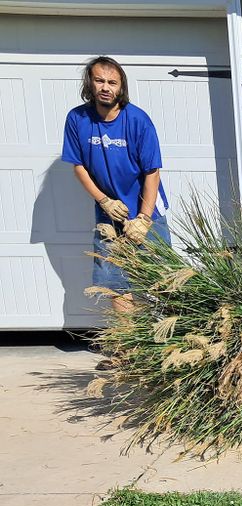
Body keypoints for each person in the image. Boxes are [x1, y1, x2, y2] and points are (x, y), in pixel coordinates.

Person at [61, 55, 170, 314]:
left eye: (112, 82)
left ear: (121, 87)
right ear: (90, 83)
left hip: (148, 210)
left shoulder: (137, 120)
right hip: (109, 213)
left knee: (158, 281)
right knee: (116, 284)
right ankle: (130, 351)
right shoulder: (77, 119)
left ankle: (157, 347)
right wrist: (104, 201)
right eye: (99, 80)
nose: (105, 87)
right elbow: (79, 166)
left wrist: (143, 219)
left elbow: (152, 172)